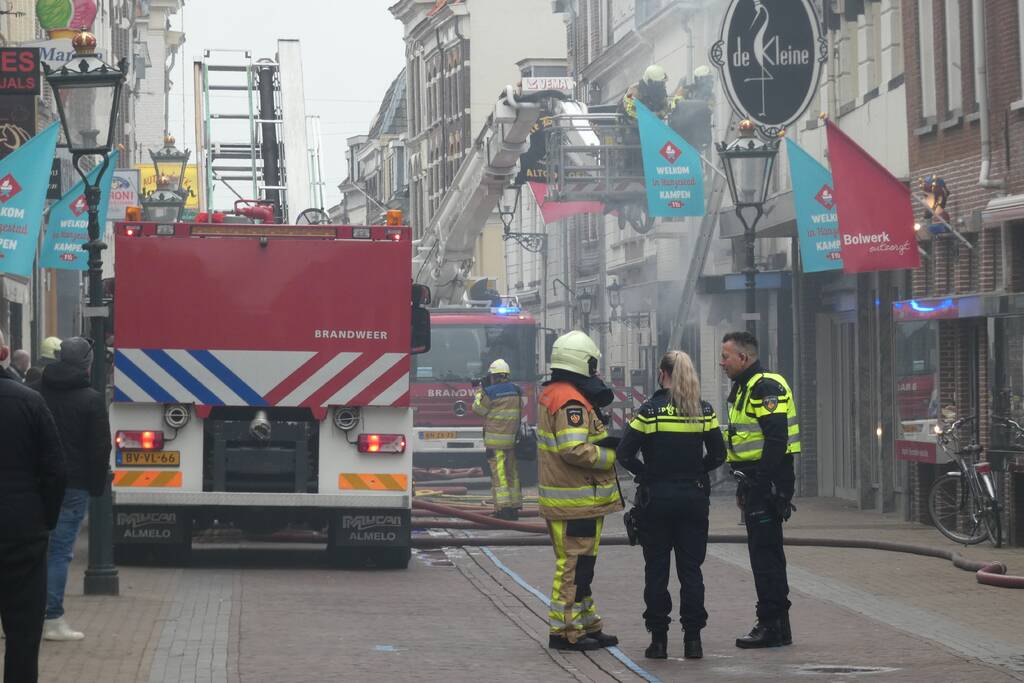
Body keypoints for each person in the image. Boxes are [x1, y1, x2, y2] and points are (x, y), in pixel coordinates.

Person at [617, 351, 726, 660]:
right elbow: (719, 455)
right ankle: (693, 640)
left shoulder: (650, 411)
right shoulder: (702, 410)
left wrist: (647, 474)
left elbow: (625, 454)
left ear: (662, 374)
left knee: (657, 571)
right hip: (693, 499)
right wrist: (696, 472)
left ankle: (659, 641)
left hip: (657, 502)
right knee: (691, 570)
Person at [537, 330, 623, 652]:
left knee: (582, 569)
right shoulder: (570, 400)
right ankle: (564, 632)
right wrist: (613, 456)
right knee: (572, 569)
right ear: (581, 361)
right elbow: (574, 449)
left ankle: (588, 625)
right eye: (592, 364)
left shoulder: (556, 392)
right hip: (576, 500)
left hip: (577, 500)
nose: (595, 371)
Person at [720, 331, 799, 649]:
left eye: (726, 356)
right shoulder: (745, 387)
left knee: (765, 557)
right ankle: (777, 625)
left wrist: (762, 483)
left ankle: (771, 625)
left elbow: (777, 439)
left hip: (767, 482)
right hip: (755, 480)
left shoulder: (764, 386)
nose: (721, 362)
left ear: (744, 357)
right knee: (764, 554)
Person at [35, 337, 111, 642]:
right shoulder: (91, 400)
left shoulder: (36, 392)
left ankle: (21, 613)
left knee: (33, 550)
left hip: (38, 483)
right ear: (87, 365)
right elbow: (99, 447)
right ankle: (52, 618)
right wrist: (95, 485)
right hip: (74, 484)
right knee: (60, 552)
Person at [0, 328, 66, 682]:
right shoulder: (30, 401)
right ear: (5, 353)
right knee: (24, 631)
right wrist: (45, 519)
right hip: (22, 531)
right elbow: (55, 470)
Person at [472, 358, 523, 520]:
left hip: (495, 442)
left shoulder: (490, 392)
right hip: (511, 440)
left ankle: (503, 508)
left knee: (499, 474)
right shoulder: (516, 390)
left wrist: (479, 393)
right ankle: (514, 506)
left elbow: (478, 410)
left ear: (493, 376)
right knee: (511, 474)